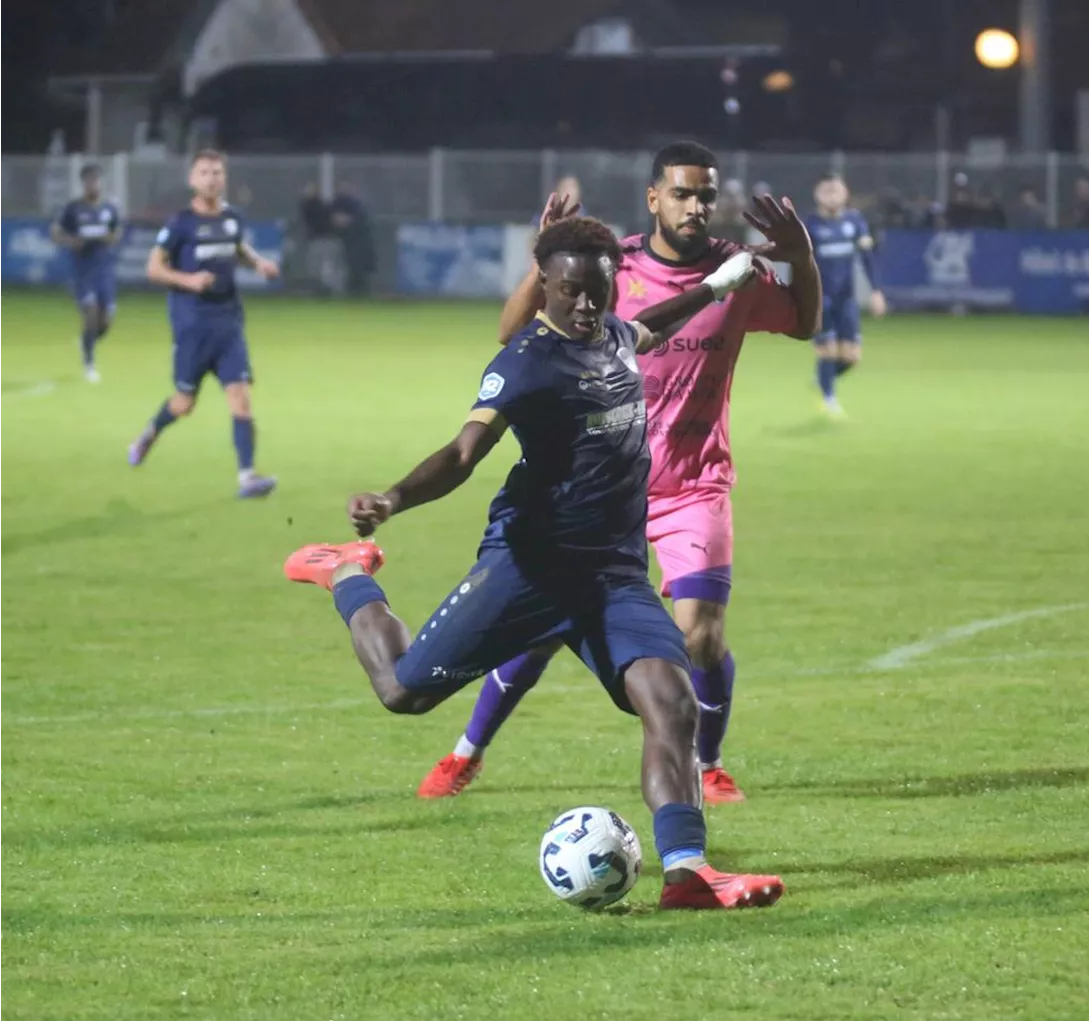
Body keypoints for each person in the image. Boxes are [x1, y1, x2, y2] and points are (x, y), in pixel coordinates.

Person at [285, 217, 780, 910]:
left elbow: (654, 325)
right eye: (571, 291)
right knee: (403, 692)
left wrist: (722, 281)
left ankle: (687, 871)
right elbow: (462, 455)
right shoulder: (523, 364)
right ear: (543, 284)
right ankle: (346, 572)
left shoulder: (610, 333)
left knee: (671, 704)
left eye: (599, 292)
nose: (585, 306)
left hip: (613, 577)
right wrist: (392, 498)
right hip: (532, 570)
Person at [420, 140, 821, 803]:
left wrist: (802, 258)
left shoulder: (735, 270)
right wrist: (541, 258)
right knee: (542, 627)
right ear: (654, 197)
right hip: (600, 483)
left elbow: (805, 325)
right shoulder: (613, 266)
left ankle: (706, 765)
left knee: (701, 634)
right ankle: (467, 751)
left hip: (694, 483)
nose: (697, 206)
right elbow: (511, 332)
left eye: (706, 195)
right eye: (683, 193)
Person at [127, 150, 280, 498]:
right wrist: (188, 280)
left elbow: (238, 247)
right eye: (204, 172)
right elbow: (154, 269)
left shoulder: (232, 218)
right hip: (192, 326)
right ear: (192, 180)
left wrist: (259, 264)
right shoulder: (180, 223)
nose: (211, 178)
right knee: (184, 402)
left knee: (240, 399)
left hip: (228, 324)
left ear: (223, 178)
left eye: (216, 172)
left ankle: (247, 477)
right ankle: (150, 432)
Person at [805, 173, 885, 418]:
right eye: (826, 191)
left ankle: (822, 378)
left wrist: (876, 291)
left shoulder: (855, 221)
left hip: (846, 298)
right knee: (828, 350)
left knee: (851, 357)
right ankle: (829, 400)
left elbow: (867, 258)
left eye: (836, 190)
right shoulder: (809, 224)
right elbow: (797, 263)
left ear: (845, 194)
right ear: (817, 195)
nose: (832, 195)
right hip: (820, 298)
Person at [50, 164, 121, 383]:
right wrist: (71, 241)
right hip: (83, 272)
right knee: (90, 313)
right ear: (84, 184)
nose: (93, 184)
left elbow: (117, 231)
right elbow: (55, 232)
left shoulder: (109, 208)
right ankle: (89, 364)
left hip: (104, 271)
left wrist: (111, 238)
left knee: (105, 322)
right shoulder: (73, 208)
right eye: (89, 181)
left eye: (96, 180)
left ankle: (86, 340)